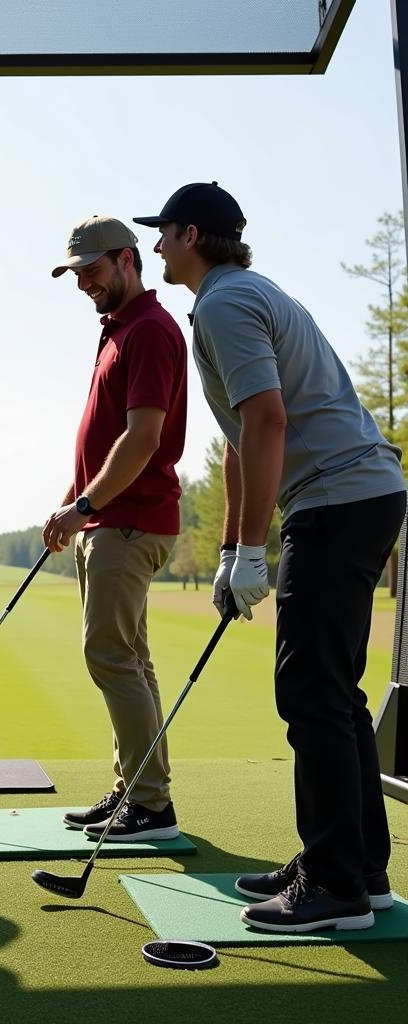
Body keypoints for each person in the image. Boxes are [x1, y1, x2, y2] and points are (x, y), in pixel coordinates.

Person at [134, 182, 406, 932]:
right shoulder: (237, 294)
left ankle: (333, 887)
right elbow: (238, 439)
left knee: (311, 694)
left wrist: (256, 547)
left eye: (162, 233)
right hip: (357, 493)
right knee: (334, 693)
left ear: (192, 235)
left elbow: (268, 419)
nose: (156, 245)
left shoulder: (224, 303)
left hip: (336, 499)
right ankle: (356, 868)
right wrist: (231, 548)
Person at [43, 216, 187, 842]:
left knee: (108, 655)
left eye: (92, 271)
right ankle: (139, 790)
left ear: (128, 259)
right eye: (76, 274)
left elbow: (143, 437)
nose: (84, 284)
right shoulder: (120, 330)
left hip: (127, 522)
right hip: (110, 517)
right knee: (132, 658)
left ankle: (150, 805)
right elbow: (109, 436)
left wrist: (85, 506)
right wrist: (76, 501)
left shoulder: (150, 330)